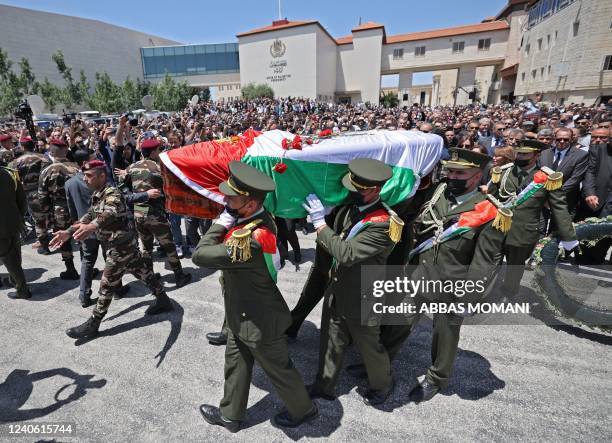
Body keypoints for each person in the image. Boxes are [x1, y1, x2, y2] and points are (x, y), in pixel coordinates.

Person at [193, 161, 318, 432]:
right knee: (235, 363)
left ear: (249, 204)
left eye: (232, 199)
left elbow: (200, 255)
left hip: (260, 320)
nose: (225, 200)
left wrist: (221, 220)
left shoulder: (249, 240)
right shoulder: (257, 217)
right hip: (243, 311)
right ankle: (231, 415)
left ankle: (304, 410)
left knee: (279, 369)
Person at [400, 148, 495, 403]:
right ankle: (381, 359)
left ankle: (436, 377)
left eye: (459, 173)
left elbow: (484, 261)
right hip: (421, 273)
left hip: (454, 283)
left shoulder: (486, 210)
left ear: (476, 177)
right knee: (401, 321)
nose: (451, 176)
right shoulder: (438, 193)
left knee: (445, 332)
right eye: (449, 171)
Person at [302, 159, 396, 406]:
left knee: (368, 346)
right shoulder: (352, 209)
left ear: (374, 190)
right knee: (331, 338)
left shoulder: (384, 223)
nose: (352, 192)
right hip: (339, 286)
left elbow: (346, 253)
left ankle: (383, 385)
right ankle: (324, 385)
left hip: (364, 294)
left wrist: (320, 224)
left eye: (359, 189)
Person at [50, 160, 176, 339]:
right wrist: (68, 232)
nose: (85, 179)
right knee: (143, 273)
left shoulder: (112, 193)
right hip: (125, 246)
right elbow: (91, 214)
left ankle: (93, 323)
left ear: (102, 176)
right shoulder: (99, 194)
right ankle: (163, 300)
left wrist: (92, 227)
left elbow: (109, 212)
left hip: (120, 248)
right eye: (84, 175)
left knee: (106, 285)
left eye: (89, 176)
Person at [473, 139, 579, 297]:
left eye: (525, 154)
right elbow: (489, 200)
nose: (520, 157)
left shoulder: (549, 178)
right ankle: (475, 297)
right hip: (496, 228)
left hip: (523, 232)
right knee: (486, 265)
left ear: (536, 155)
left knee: (514, 268)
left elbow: (559, 208)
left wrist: (569, 237)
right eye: (518, 153)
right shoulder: (502, 172)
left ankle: (509, 292)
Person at [122, 138, 191, 287]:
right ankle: (179, 275)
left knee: (146, 247)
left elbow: (122, 186)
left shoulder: (132, 167)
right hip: (155, 213)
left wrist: (134, 195)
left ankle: (150, 277)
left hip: (139, 211)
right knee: (169, 245)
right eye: (158, 150)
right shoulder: (159, 168)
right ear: (153, 152)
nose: (160, 153)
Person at [38, 138, 80, 280]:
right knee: (82, 236)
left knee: (63, 239)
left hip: (59, 209)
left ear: (51, 152)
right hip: (77, 206)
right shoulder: (76, 167)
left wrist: (46, 214)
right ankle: (88, 266)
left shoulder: (47, 171)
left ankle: (71, 269)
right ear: (66, 151)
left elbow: (42, 196)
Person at [8, 136, 51, 255]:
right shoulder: (44, 158)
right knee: (51, 218)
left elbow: (14, 182)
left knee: (39, 221)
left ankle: (44, 246)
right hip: (47, 191)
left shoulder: (15, 163)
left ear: (22, 147)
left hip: (31, 194)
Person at [539, 127, 588, 217]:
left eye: (566, 139)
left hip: (565, 200)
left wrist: (554, 195)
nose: (562, 141)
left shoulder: (581, 155)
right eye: (559, 139)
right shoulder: (544, 153)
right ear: (554, 138)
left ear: (572, 139)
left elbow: (575, 179)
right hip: (543, 199)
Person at [0, 164, 31, 299]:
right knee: (15, 253)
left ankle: (22, 289)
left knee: (8, 257)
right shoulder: (10, 173)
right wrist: (17, 217)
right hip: (14, 221)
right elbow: (22, 201)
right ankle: (15, 281)